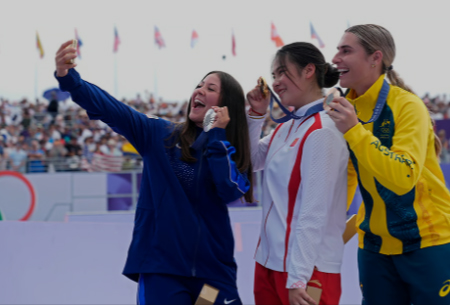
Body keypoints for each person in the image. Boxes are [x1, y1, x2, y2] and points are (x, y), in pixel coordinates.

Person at [54, 40, 253, 304]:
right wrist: (70, 80)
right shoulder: (159, 134)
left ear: (226, 104)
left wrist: (216, 136)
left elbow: (230, 190)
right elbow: (112, 109)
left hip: (212, 276)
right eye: (199, 85)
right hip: (162, 270)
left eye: (211, 88)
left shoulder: (226, 150)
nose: (199, 90)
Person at [328, 24, 450, 305]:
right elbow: (348, 175)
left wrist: (354, 131)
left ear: (375, 58)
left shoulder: (408, 106)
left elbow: (403, 176)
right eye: (337, 51)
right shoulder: (347, 108)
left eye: (346, 51)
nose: (335, 58)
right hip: (373, 246)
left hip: (428, 242)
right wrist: (329, 233)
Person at [246, 42, 349, 305]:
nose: (276, 82)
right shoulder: (290, 125)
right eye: (273, 75)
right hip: (269, 263)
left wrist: (298, 278)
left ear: (309, 71)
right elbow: (252, 159)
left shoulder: (322, 130)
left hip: (306, 271)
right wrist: (256, 115)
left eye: (282, 72)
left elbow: (313, 211)